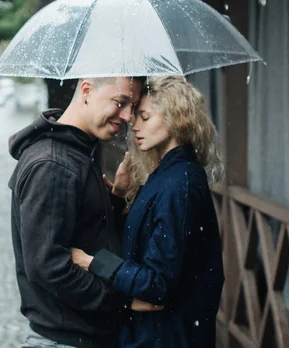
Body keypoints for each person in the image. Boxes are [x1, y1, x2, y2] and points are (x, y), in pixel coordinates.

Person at [71, 76, 225, 347]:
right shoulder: (166, 175)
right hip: (152, 334)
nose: (134, 126)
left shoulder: (180, 183)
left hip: (168, 337)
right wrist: (119, 196)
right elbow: (136, 244)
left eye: (144, 117)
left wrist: (91, 262)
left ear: (177, 118)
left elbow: (157, 282)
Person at [8, 76, 159, 348]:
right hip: (67, 339)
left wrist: (116, 197)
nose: (127, 116)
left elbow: (84, 231)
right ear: (87, 90)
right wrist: (122, 300)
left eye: (133, 107)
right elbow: (49, 268)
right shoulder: (54, 165)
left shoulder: (77, 152)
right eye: (120, 102)